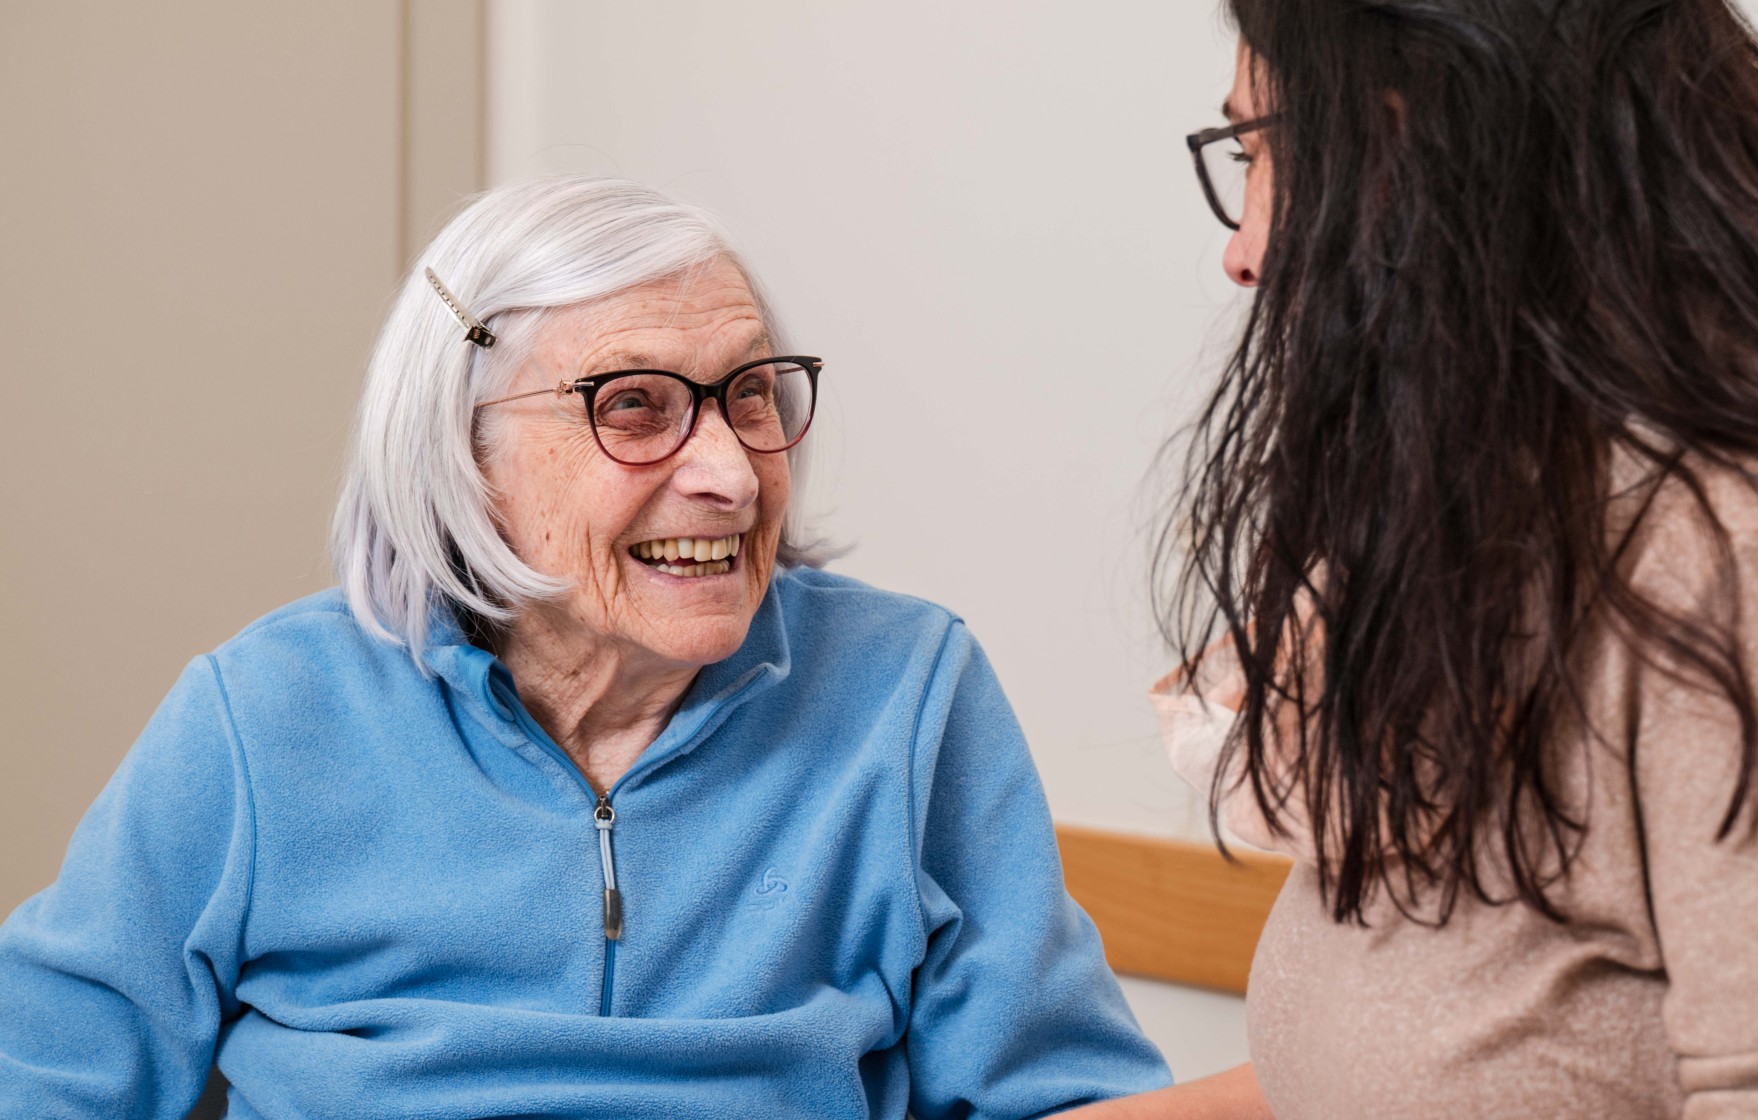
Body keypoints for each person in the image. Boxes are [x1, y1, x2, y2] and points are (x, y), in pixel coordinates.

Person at [0, 175, 1169, 1119]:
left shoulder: (904, 690)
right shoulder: (262, 716)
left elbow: (1054, 1091)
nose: (725, 474)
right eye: (635, 406)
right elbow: (42, 1078)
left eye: (750, 395)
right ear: (462, 455)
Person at [1080, 0, 1758, 1116]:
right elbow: (1417, 1072)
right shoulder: (1521, 524)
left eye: (1259, 152)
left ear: (1411, 149)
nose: (1243, 253)